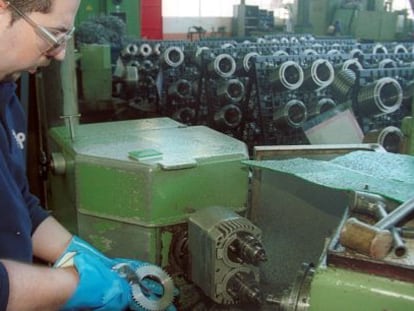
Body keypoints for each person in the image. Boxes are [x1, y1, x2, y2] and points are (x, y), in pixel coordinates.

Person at [0, 1, 174, 310]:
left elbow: (16, 202)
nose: (61, 53)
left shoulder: (6, 95)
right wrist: (75, 286)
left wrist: (85, 258)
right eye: (53, 35)